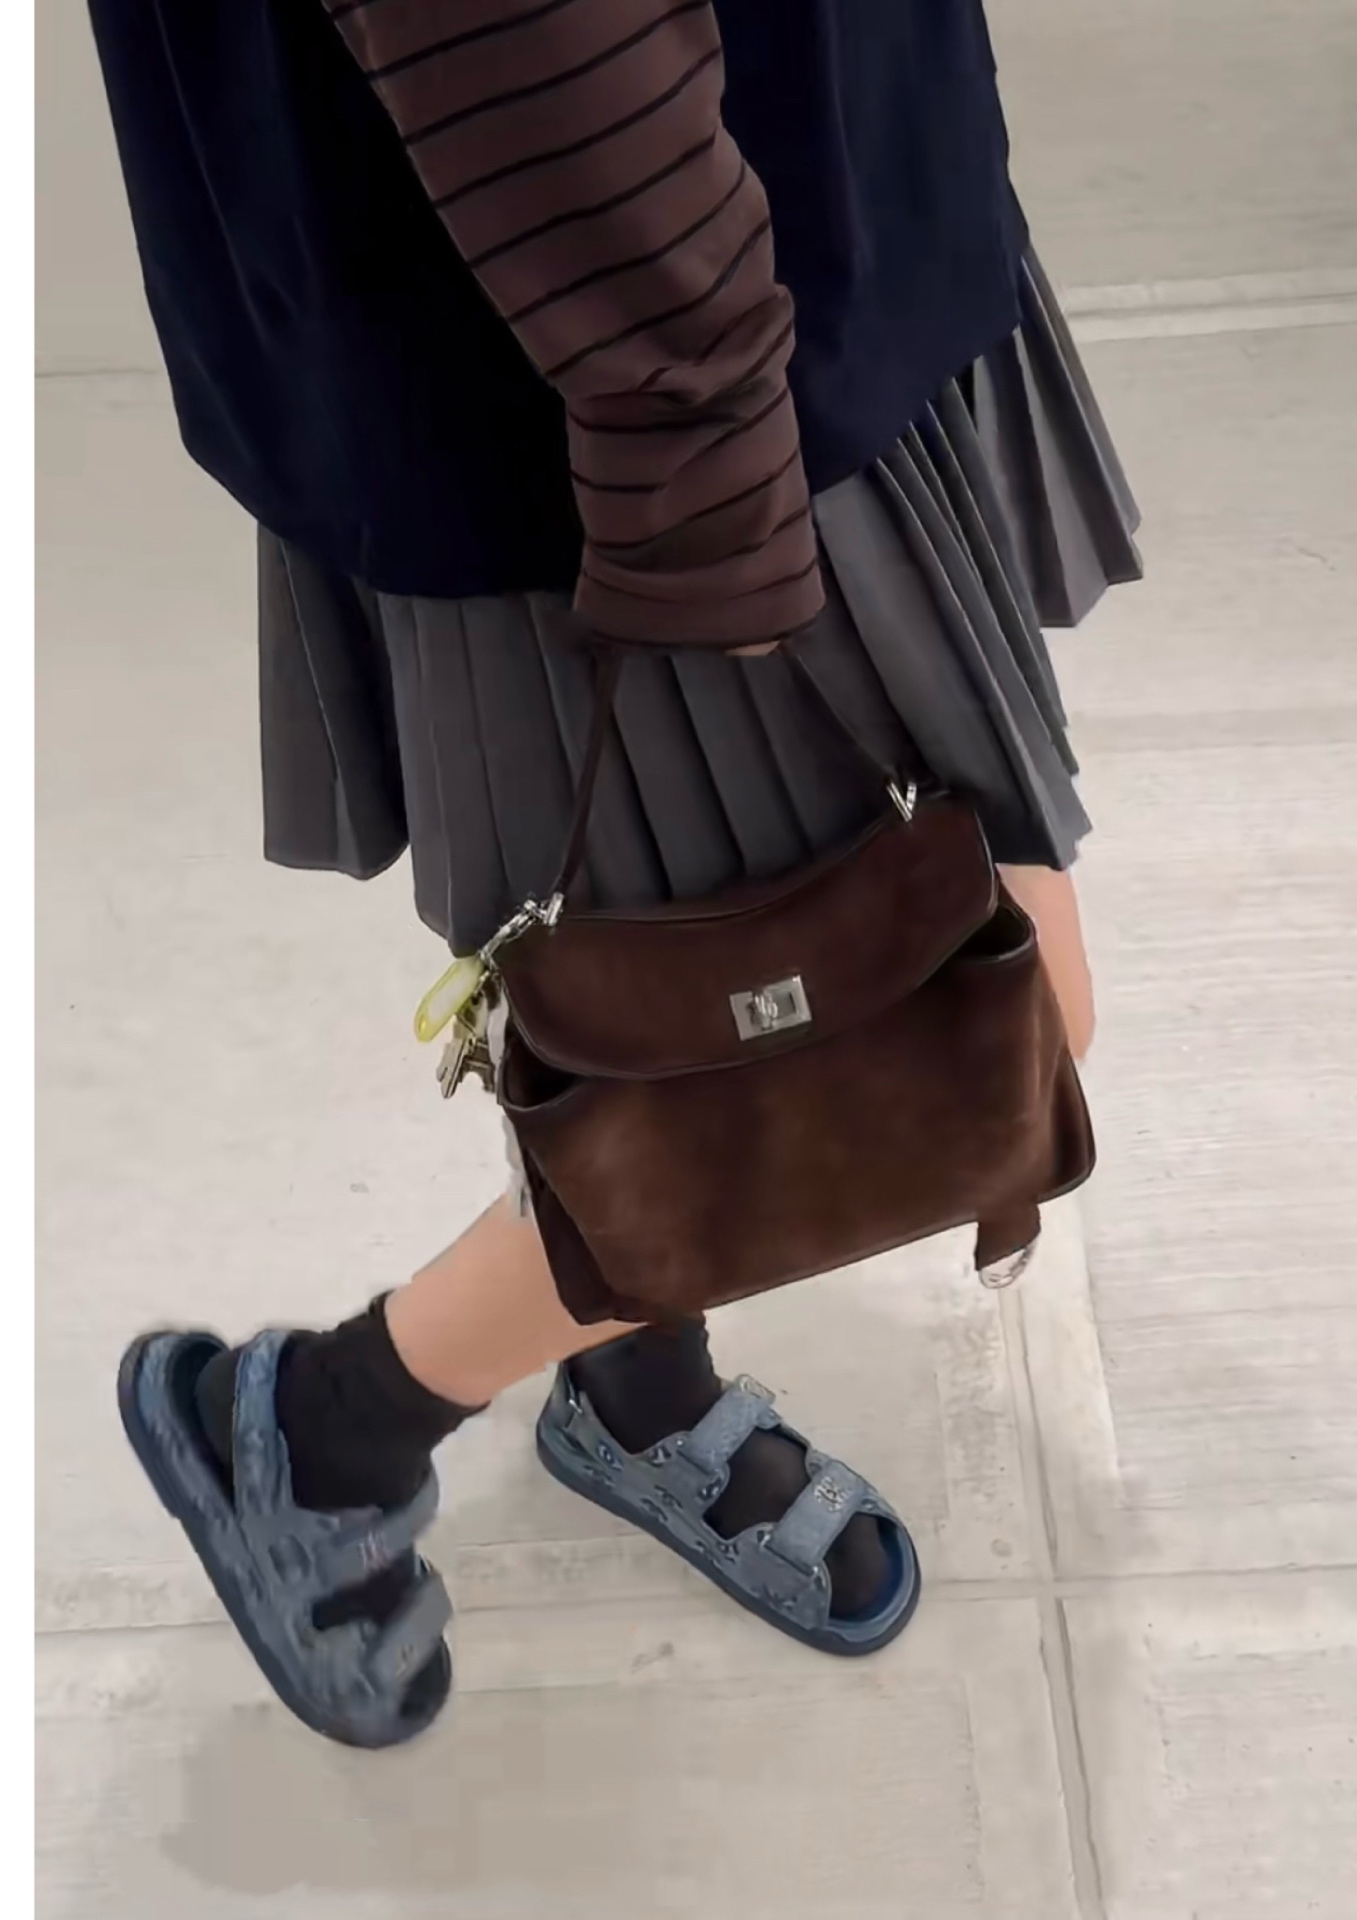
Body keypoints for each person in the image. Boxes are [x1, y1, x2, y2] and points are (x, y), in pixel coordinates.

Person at [91, 0, 1140, 1747]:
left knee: (671, 972)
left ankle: (636, 1371)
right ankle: (318, 1429)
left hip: (692, 221)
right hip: (625, 306)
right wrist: (700, 444)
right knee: (970, 1021)